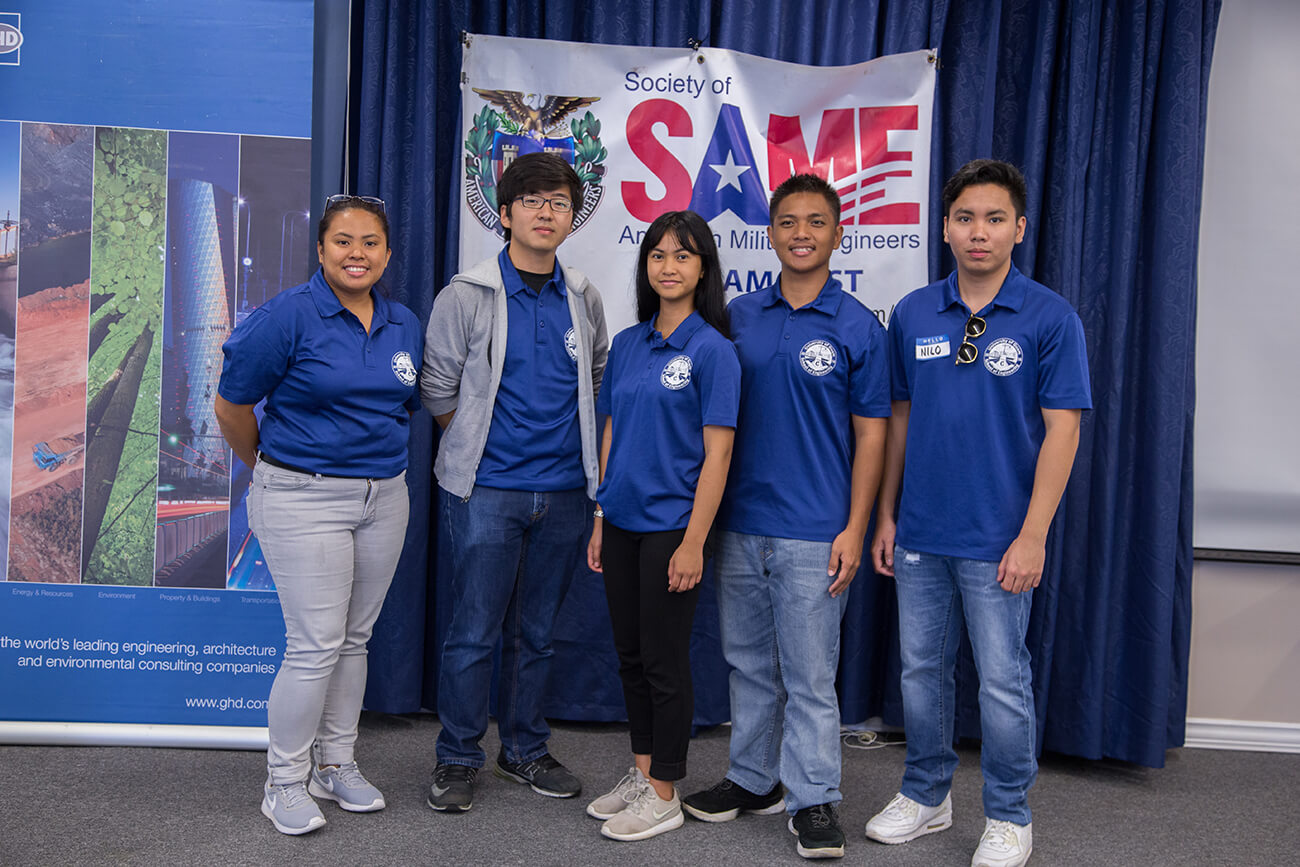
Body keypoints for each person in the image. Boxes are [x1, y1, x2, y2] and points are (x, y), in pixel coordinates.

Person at [865, 159, 1091, 867]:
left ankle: (1009, 813)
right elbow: (898, 421)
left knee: (1002, 679)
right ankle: (928, 794)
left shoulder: (1050, 317)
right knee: (920, 673)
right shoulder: (912, 312)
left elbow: (1065, 430)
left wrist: (1033, 535)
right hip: (923, 532)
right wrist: (886, 515)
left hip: (1001, 539)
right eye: (965, 217)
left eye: (995, 218)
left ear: (1019, 228)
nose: (978, 232)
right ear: (945, 227)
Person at [682, 174, 890, 859]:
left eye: (816, 221)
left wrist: (855, 527)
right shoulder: (737, 315)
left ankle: (814, 797)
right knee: (747, 665)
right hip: (739, 524)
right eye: (788, 222)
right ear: (770, 233)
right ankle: (752, 778)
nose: (801, 233)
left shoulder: (859, 324)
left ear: (838, 232)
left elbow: (872, 437)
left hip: (816, 531)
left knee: (809, 675)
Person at [215, 194, 422, 836]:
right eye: (343, 241)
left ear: (387, 254)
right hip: (304, 495)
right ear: (322, 248)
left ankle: (336, 765)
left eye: (370, 243)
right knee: (314, 647)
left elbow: (399, 406)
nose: (356, 254)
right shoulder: (286, 318)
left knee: (355, 639)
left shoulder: (402, 321)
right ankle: (284, 782)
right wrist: (273, 469)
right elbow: (231, 407)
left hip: (384, 496)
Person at [421, 152, 608, 812]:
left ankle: (523, 749)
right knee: (473, 630)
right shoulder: (465, 294)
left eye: (558, 202)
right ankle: (458, 756)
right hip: (487, 490)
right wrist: (480, 445)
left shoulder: (582, 295)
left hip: (563, 493)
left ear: (570, 217)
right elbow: (438, 388)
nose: (545, 212)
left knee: (538, 634)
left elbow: (596, 378)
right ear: (504, 214)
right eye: (531, 201)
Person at [584, 210, 740, 842]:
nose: (668, 266)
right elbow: (612, 431)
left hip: (673, 528)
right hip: (620, 521)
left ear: (703, 268)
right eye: (657, 255)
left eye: (683, 255)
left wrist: (695, 540)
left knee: (664, 662)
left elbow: (719, 453)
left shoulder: (714, 350)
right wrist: (600, 513)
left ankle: (665, 792)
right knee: (628, 657)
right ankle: (643, 771)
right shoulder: (626, 343)